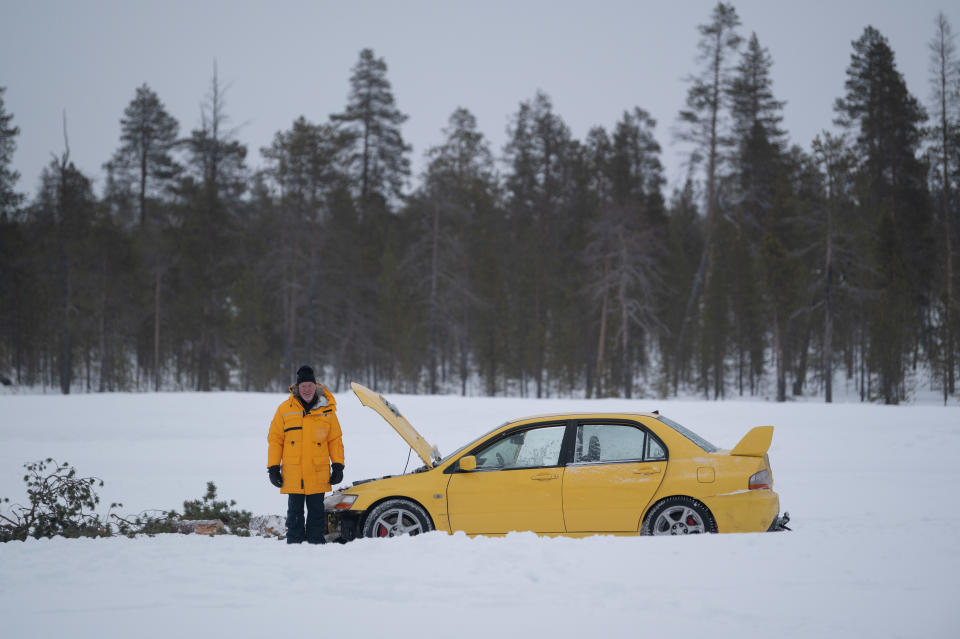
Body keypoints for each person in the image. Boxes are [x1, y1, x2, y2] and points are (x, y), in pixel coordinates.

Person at [267, 365, 345, 544]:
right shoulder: (284, 409)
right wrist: (272, 468)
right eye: (303, 386)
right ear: (297, 388)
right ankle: (294, 544)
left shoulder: (327, 410)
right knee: (294, 512)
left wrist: (338, 465)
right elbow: (275, 440)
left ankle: (315, 543)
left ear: (315, 386)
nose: (307, 390)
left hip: (318, 472)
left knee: (316, 511)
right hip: (294, 472)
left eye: (310, 385)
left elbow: (335, 440)